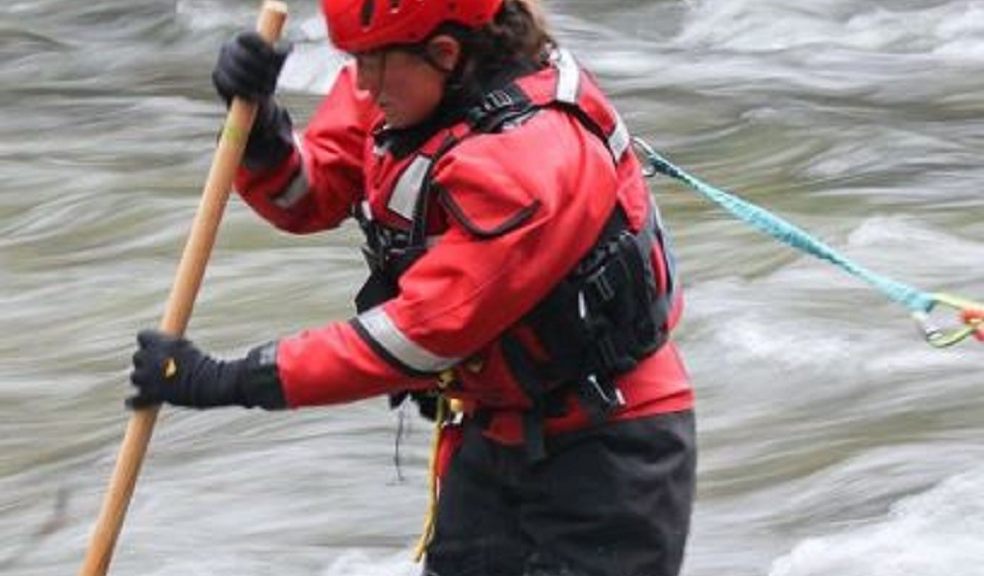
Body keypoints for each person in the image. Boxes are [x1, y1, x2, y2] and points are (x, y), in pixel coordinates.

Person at [128, 1, 696, 574]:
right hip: (492, 435)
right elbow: (310, 192)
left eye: (371, 65)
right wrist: (260, 133)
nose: (361, 85)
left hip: (608, 454)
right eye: (353, 62)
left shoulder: (529, 160)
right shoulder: (406, 80)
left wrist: (229, 380)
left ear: (445, 53)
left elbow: (420, 337)